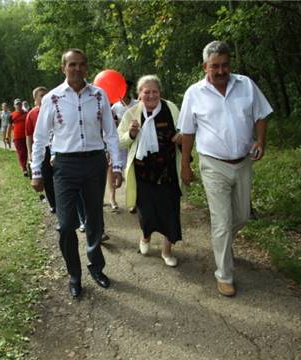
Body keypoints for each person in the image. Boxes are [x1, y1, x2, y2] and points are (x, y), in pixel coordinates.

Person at [178, 41, 273, 297]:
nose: (221, 71)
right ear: (204, 67)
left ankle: (223, 244)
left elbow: (261, 115)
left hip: (243, 163)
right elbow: (187, 132)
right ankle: (224, 274)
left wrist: (260, 141)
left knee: (241, 216)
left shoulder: (246, 85)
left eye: (225, 65)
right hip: (213, 164)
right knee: (221, 221)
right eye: (215, 66)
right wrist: (186, 164)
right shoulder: (194, 93)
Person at [30, 48, 123, 298]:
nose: (77, 69)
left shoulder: (99, 95)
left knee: (94, 220)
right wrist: (36, 171)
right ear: (63, 68)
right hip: (64, 166)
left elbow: (111, 134)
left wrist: (116, 167)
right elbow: (39, 138)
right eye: (72, 64)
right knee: (66, 224)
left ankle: (96, 266)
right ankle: (74, 273)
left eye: (82, 64)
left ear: (87, 68)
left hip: (94, 162)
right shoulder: (52, 98)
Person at [117, 75, 184, 267]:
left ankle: (167, 250)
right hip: (143, 175)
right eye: (146, 92)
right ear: (139, 94)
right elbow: (119, 140)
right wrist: (131, 133)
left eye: (155, 91)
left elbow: (184, 131)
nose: (151, 95)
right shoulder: (131, 113)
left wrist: (181, 137)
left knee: (170, 212)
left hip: (168, 172)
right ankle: (145, 236)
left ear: (160, 93)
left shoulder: (171, 108)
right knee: (147, 214)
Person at [26, 86, 56, 210]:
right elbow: (29, 135)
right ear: (35, 99)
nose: (44, 97)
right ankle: (53, 204)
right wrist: (30, 153)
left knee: (60, 176)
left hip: (56, 148)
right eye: (41, 95)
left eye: (46, 94)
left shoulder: (54, 109)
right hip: (41, 150)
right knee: (47, 177)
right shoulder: (32, 114)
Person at [112, 80, 139, 213]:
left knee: (131, 170)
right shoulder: (115, 107)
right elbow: (112, 124)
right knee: (118, 169)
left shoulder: (137, 104)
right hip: (120, 141)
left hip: (133, 142)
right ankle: (113, 199)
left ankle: (133, 201)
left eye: (126, 88)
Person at [7, 98, 29, 176]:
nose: (18, 105)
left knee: (27, 152)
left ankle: (29, 165)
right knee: (21, 153)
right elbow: (9, 127)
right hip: (17, 137)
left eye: (19, 104)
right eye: (17, 104)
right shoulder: (11, 115)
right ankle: (24, 168)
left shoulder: (26, 113)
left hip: (27, 136)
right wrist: (7, 136)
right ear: (14, 106)